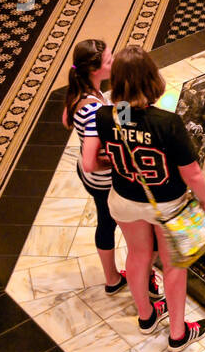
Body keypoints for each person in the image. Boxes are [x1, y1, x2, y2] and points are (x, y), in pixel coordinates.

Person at [88, 46, 205, 352]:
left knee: (138, 255)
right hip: (166, 205)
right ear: (152, 79)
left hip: (123, 199)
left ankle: (146, 317)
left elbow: (90, 161)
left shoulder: (106, 116)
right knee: (173, 267)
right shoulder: (166, 123)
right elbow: (192, 174)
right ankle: (178, 334)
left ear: (117, 80)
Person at [62, 39, 161, 301]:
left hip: (89, 180)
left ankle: (112, 278)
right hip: (103, 179)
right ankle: (142, 275)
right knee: (137, 232)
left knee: (105, 222)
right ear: (95, 69)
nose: (114, 62)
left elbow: (66, 119)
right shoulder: (94, 108)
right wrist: (110, 160)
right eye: (109, 61)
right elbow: (89, 161)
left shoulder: (80, 92)